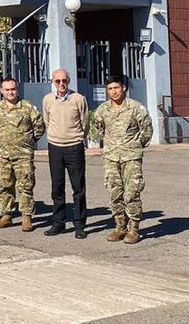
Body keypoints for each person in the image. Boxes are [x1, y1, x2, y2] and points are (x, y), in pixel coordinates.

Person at [91, 75, 153, 244]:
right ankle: (120, 227)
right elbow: (97, 132)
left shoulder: (135, 108)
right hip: (111, 157)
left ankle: (134, 229)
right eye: (110, 89)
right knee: (114, 193)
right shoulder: (102, 110)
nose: (114, 92)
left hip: (131, 157)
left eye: (116, 88)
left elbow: (146, 131)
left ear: (123, 88)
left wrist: (134, 146)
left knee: (132, 193)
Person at [0, 77, 45, 232]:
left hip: (24, 156)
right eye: (7, 90)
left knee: (25, 186)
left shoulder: (27, 107)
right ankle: (6, 215)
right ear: (1, 91)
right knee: (5, 186)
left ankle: (26, 217)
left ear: (17, 89)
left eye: (12, 89)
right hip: (4, 155)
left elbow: (39, 126)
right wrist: (1, 139)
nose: (10, 92)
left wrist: (28, 141)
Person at [42, 68, 90, 239]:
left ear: (69, 81)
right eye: (58, 81)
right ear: (52, 82)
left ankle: (79, 224)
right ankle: (58, 222)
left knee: (78, 188)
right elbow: (47, 120)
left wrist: (75, 138)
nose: (61, 84)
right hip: (55, 147)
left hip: (74, 147)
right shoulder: (48, 100)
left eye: (65, 81)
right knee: (57, 187)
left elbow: (84, 123)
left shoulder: (78, 99)